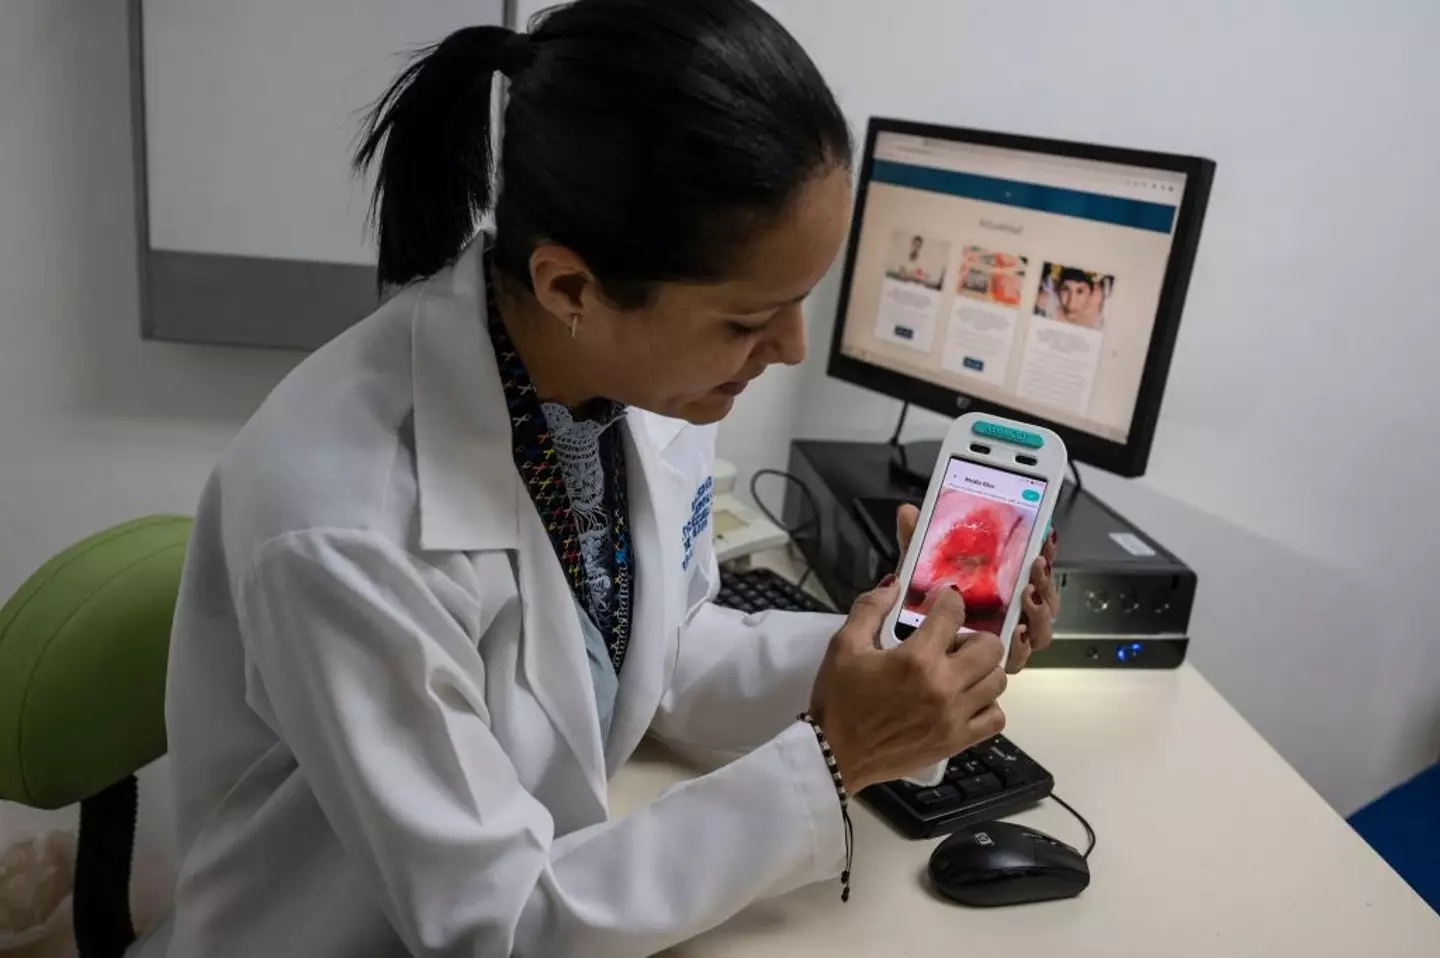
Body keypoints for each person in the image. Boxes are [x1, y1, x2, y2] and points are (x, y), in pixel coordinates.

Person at [136, 2, 1060, 956]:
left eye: (799, 305)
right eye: (748, 322)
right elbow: (494, 924)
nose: (786, 350)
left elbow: (653, 651)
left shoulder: (630, 388)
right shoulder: (348, 527)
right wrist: (840, 755)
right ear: (569, 287)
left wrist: (880, 655)